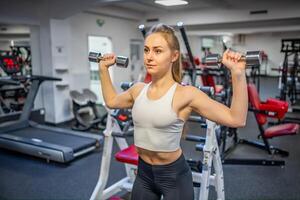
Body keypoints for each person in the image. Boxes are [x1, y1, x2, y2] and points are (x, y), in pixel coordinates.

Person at [98, 24, 248, 200]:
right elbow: (112, 101)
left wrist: (237, 74)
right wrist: (103, 70)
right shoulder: (137, 90)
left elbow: (236, 118)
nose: (149, 57)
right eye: (146, 50)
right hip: (144, 173)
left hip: (174, 177)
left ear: (174, 56)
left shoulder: (186, 94)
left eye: (158, 51)